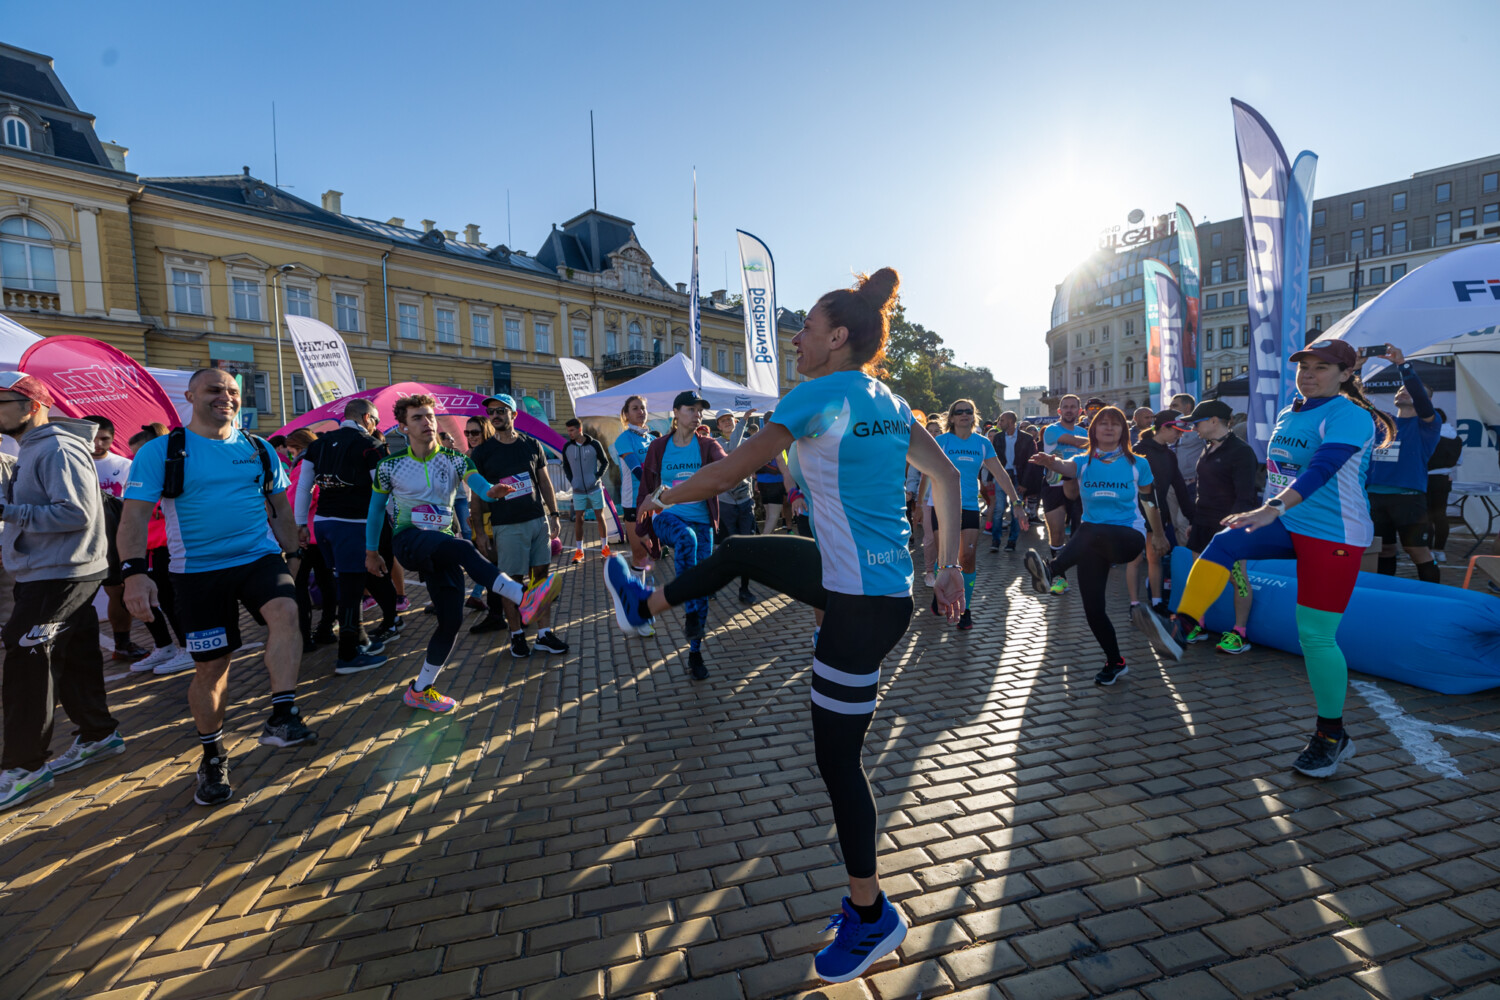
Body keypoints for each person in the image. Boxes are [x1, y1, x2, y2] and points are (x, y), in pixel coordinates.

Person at [603, 267, 965, 984]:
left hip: (860, 607)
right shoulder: (890, 401)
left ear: (838, 337)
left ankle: (871, 915)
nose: (794, 335)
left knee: (838, 763)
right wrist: (948, 567)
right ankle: (643, 610)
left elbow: (729, 474)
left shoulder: (819, 393)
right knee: (740, 550)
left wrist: (656, 501)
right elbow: (949, 479)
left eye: (805, 325)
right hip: (865, 587)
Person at [1166, 339, 1388, 778]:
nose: (1309, 373)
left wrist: (1273, 509)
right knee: (1226, 540)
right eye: (1304, 366)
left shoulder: (1350, 414)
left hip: (1334, 534)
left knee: (1315, 637)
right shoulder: (1290, 412)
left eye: (1322, 367)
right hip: (1289, 522)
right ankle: (1181, 626)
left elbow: (1321, 468)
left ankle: (1331, 735)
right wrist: (1263, 511)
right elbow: (1280, 472)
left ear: (1345, 374)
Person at [120, 368, 312, 807]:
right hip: (196, 571)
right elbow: (132, 520)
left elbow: (280, 507)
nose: (225, 397)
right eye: (214, 390)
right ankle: (212, 756)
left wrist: (293, 554)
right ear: (190, 395)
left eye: (232, 391)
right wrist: (134, 573)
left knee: (286, 611)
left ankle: (283, 715)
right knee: (212, 667)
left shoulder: (258, 448)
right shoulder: (161, 452)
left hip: (257, 557)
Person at [368, 393, 557, 712]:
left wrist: (493, 492)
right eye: (417, 417)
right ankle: (523, 596)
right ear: (402, 426)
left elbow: (480, 486)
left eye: (429, 416)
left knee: (451, 620)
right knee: (463, 546)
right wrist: (371, 552)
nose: (426, 422)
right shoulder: (390, 466)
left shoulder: (457, 460)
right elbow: (375, 513)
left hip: (442, 546)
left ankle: (420, 689)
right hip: (409, 539)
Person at [0, 373, 125, 811]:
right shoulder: (36, 447)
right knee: (72, 654)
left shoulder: (54, 447)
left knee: (26, 660)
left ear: (32, 404)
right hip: (53, 569)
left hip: (60, 571)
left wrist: (5, 508)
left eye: (1, 401)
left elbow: (73, 512)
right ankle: (99, 734)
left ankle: (25, 768)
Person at [1023, 405, 1173, 685]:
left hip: (1127, 537)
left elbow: (1150, 502)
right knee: (1093, 608)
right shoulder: (1084, 460)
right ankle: (1115, 661)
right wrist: (1050, 462)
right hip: (1091, 544)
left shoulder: (1138, 463)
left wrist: (1160, 534)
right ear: (1092, 430)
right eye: (1102, 423)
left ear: (1123, 431)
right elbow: (1065, 467)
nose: (1108, 428)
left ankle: (1052, 570)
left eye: (1114, 424)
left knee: (1090, 527)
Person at [293, 397, 402, 675]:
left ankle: (361, 640)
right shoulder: (370, 445)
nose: (376, 425)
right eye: (376, 420)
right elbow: (383, 491)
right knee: (352, 590)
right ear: (366, 418)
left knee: (350, 581)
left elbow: (305, 486)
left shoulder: (317, 445)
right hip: (354, 524)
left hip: (324, 525)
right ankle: (348, 654)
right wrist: (396, 520)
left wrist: (299, 524)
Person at [467, 394, 567, 657]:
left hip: (537, 521)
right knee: (512, 582)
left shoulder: (532, 444)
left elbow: (544, 482)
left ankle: (544, 634)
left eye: (501, 410)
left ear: (514, 415)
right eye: (491, 412)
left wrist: (553, 515)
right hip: (506, 526)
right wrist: (479, 532)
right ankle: (517, 635)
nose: (495, 415)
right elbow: (476, 496)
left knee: (541, 581)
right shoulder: (482, 452)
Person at [637, 390, 727, 679]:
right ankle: (684, 601)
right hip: (668, 517)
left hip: (703, 523)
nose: (697, 414)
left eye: (700, 410)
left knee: (701, 587)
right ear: (676, 413)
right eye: (691, 409)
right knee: (685, 538)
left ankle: (695, 653)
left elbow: (726, 467)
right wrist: (643, 528)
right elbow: (647, 488)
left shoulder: (708, 446)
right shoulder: (659, 447)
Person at [921, 399, 1026, 629]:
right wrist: (920, 505)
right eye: (959, 412)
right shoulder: (941, 441)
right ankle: (941, 589)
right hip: (943, 506)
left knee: (967, 558)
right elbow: (925, 474)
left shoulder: (982, 443)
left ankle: (965, 607)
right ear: (951, 417)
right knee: (944, 557)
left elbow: (1000, 473)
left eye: (968, 411)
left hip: (969, 505)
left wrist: (1017, 503)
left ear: (973, 416)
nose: (964, 415)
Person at [1178, 399, 1259, 653]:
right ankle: (1198, 626)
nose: (1193, 428)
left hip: (1229, 530)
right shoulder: (1208, 447)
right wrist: (1194, 522)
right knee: (1199, 578)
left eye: (1197, 422)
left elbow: (1246, 496)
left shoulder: (1241, 451)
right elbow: (1202, 490)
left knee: (1238, 581)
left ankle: (1240, 634)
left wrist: (1232, 530)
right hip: (1203, 524)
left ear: (1214, 421)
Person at [1362, 346, 1441, 583]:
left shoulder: (1428, 423)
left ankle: (1431, 597)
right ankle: (1388, 594)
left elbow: (1420, 397)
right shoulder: (1381, 422)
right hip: (1374, 497)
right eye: (1400, 389)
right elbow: (1355, 401)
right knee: (1383, 550)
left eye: (1412, 391)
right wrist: (1355, 370)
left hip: (1408, 497)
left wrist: (1403, 366)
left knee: (1417, 551)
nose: (1404, 391)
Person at [123, 424, 193, 675]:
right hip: (147, 547)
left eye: (139, 453)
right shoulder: (140, 474)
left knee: (172, 600)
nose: (135, 459)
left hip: (169, 546)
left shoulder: (174, 471)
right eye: (133, 455)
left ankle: (188, 647)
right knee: (148, 600)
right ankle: (164, 646)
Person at [83, 414, 149, 663]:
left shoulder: (125, 465)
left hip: (114, 539)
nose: (98, 444)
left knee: (118, 593)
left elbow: (136, 504)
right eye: (93, 438)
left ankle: (122, 644)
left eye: (105, 439)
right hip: (79, 542)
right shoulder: (70, 464)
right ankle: (77, 649)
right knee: (77, 598)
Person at [1125, 410, 1195, 620]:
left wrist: (1193, 517)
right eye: (1177, 431)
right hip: (1136, 514)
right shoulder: (1137, 451)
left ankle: (1157, 603)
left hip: (1158, 513)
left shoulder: (1169, 455)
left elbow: (1180, 488)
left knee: (1155, 557)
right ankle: (1134, 604)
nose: (1179, 436)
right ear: (1164, 427)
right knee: (1135, 560)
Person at [284, 428, 340, 655]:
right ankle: (326, 628)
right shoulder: (327, 461)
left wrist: (293, 527)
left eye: (291, 451)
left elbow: (296, 498)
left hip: (306, 534)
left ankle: (305, 637)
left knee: (299, 587)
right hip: (324, 532)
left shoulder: (303, 466)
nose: (290, 455)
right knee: (327, 582)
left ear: (298, 448)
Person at [1040, 395, 1088, 586]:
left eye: (1073, 407)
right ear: (1059, 411)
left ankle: (1075, 570)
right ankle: (1059, 577)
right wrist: (1097, 439)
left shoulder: (1084, 431)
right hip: (1054, 485)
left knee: (1079, 534)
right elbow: (1077, 442)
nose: (1069, 410)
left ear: (1079, 411)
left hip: (1079, 487)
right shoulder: (1052, 430)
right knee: (1057, 532)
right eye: (1065, 407)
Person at [714, 409, 758, 604]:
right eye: (723, 421)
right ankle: (711, 585)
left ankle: (745, 588)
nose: (727, 423)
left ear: (734, 420)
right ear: (718, 426)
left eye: (730, 420)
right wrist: (744, 422)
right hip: (726, 504)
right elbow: (731, 451)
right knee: (730, 546)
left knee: (747, 546)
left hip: (745, 500)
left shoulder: (747, 441)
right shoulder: (717, 444)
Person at [610, 395, 654, 575]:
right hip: (634, 502)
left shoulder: (651, 438)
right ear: (626, 414)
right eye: (635, 408)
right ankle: (637, 598)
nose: (640, 412)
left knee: (650, 551)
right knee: (639, 553)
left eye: (643, 408)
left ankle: (643, 594)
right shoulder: (624, 438)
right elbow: (636, 469)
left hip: (653, 499)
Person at [561, 417, 611, 563]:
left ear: (579, 429)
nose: (569, 433)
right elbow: (566, 466)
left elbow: (605, 462)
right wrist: (572, 480)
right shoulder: (567, 447)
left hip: (595, 487)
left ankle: (605, 548)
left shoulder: (595, 444)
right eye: (568, 431)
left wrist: (597, 477)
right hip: (578, 490)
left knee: (600, 517)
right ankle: (579, 551)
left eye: (572, 430)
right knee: (579, 519)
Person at [988, 410, 1036, 553]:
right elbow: (992, 459)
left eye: (1002, 420)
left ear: (1010, 421)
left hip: (1018, 477)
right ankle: (995, 540)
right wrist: (990, 478)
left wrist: (1024, 483)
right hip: (1001, 475)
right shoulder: (998, 437)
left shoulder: (1026, 438)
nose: (999, 423)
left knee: (1017, 511)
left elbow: (1030, 463)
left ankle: (1011, 541)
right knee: (998, 509)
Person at [1427, 407, 1463, 563]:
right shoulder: (1456, 438)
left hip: (1425, 479)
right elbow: (1459, 462)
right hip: (1442, 480)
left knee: (1426, 516)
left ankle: (1426, 550)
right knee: (1440, 515)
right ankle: (1439, 551)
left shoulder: (1428, 435)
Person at [1170, 392, 1205, 505]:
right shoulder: (1170, 427)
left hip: (1191, 483)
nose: (1171, 409)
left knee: (1184, 521)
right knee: (1175, 521)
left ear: (1188, 407)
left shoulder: (1198, 426)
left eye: (1175, 406)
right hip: (1172, 482)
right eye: (1170, 406)